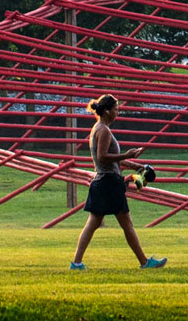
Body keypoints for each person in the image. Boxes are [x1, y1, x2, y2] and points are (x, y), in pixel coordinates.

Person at [70, 93, 166, 270]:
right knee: (126, 224)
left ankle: (76, 263)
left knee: (93, 223)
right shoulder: (103, 130)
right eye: (115, 109)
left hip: (102, 181)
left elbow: (112, 160)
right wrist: (127, 154)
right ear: (107, 111)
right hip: (109, 183)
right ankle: (145, 262)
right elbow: (103, 157)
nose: (117, 112)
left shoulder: (97, 128)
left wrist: (133, 165)